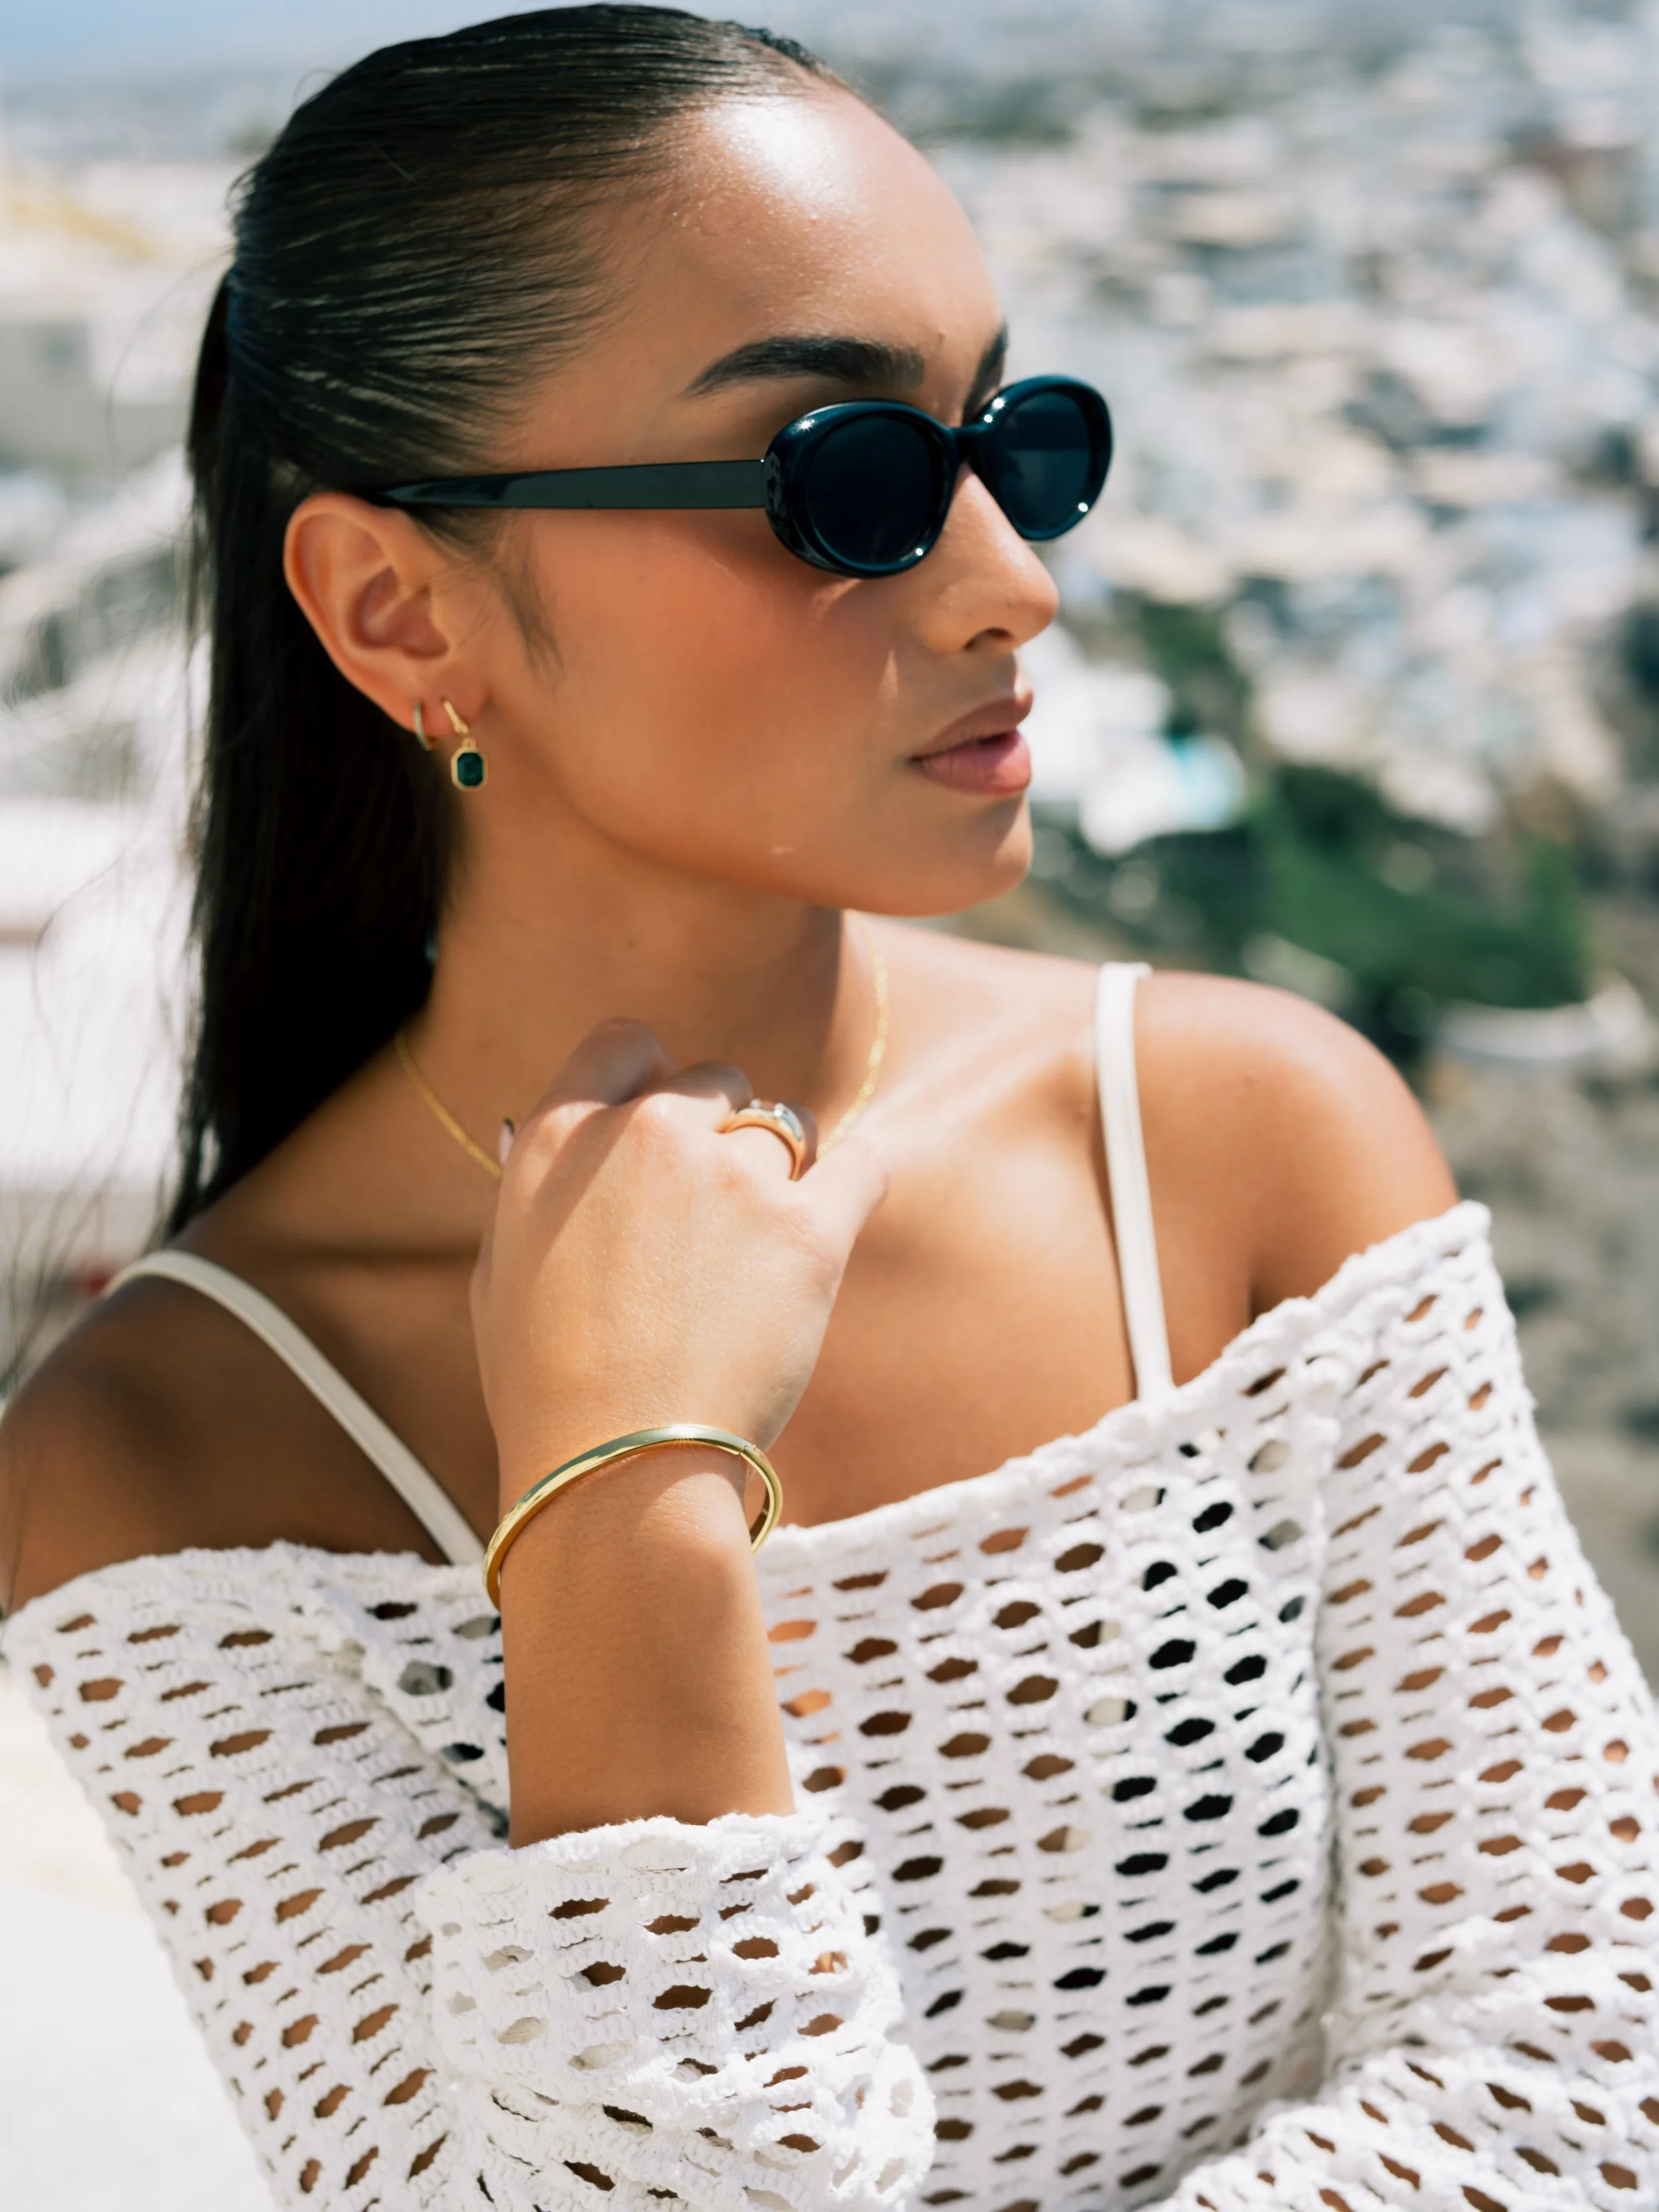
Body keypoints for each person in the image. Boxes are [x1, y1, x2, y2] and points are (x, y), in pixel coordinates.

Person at [3, 10, 1654, 2209]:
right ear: (401, 607)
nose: (1014, 580)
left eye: (1017, 444)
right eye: (847, 483)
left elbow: (1583, 2066)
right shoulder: (169, 1451)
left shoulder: (1235, 1144)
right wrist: (623, 1514)